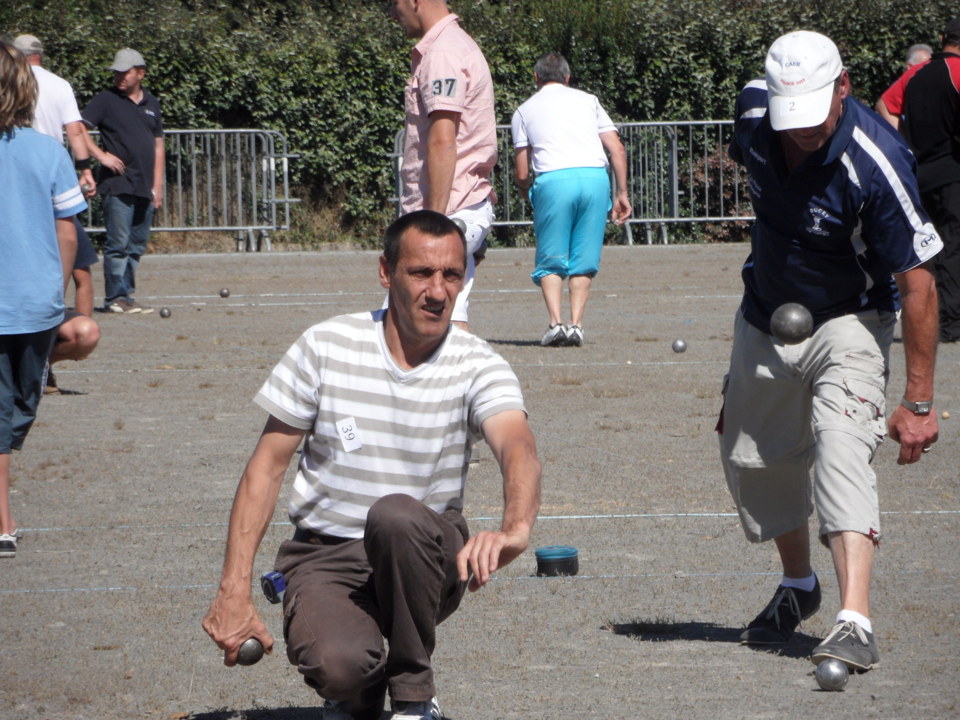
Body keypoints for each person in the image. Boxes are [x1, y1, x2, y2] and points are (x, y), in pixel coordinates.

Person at [203, 210, 542, 720]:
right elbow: (266, 468)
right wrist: (234, 588)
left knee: (395, 515)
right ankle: (356, 690)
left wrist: (515, 530)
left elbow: (518, 446)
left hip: (424, 550)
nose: (438, 290)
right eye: (421, 273)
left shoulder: (478, 363)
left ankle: (413, 697)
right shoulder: (325, 346)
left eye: (452, 275)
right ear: (386, 273)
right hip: (325, 555)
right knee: (341, 666)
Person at [721, 31, 941, 673]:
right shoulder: (756, 118)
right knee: (756, 459)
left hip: (851, 319)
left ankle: (855, 620)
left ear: (843, 86)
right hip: (763, 315)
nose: (803, 132)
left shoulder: (877, 160)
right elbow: (753, 109)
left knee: (841, 446)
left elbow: (919, 281)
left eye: (814, 115)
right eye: (793, 119)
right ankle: (798, 586)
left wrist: (918, 400)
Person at [0, 41, 84, 557]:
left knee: (14, 411)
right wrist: (55, 291)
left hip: (28, 305)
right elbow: (67, 232)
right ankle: (3, 521)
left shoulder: (46, 150)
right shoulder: (48, 152)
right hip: (34, 301)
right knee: (12, 410)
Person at [390, 0, 497, 333]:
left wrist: (434, 223)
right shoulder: (455, 45)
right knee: (439, 316)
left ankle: (464, 384)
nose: (393, 14)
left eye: (393, 4)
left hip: (448, 210)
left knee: (427, 320)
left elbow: (443, 140)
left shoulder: (442, 55)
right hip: (462, 206)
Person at [510, 52, 631, 347]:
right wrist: (622, 193)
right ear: (567, 77)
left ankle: (556, 324)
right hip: (594, 178)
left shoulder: (523, 111)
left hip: (554, 180)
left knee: (551, 255)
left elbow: (523, 169)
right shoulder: (589, 101)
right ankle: (577, 324)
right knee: (584, 255)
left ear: (536, 78)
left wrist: (527, 190)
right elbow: (616, 148)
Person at [12, 34, 101, 392]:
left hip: (23, 187)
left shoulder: (10, 82)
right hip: (52, 185)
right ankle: (45, 359)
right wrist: (85, 169)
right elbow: (75, 130)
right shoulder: (59, 84)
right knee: (80, 273)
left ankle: (39, 359)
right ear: (40, 55)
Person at [82, 48, 164, 314]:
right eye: (116, 72)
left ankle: (127, 295)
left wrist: (158, 186)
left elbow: (158, 145)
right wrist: (101, 156)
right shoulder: (105, 100)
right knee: (118, 243)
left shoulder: (151, 103)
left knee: (137, 244)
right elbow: (78, 129)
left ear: (140, 73)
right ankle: (115, 297)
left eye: (124, 72)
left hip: (145, 185)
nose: (119, 77)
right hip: (117, 183)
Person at [900, 18, 960, 343]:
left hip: (921, 172)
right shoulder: (956, 72)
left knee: (930, 249)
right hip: (951, 172)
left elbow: (888, 104)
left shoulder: (916, 75)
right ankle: (950, 323)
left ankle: (930, 320)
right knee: (953, 247)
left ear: (942, 39)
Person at [874, 43, 933, 131]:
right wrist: (902, 139)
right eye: (923, 66)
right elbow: (883, 106)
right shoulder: (902, 87)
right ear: (909, 67)